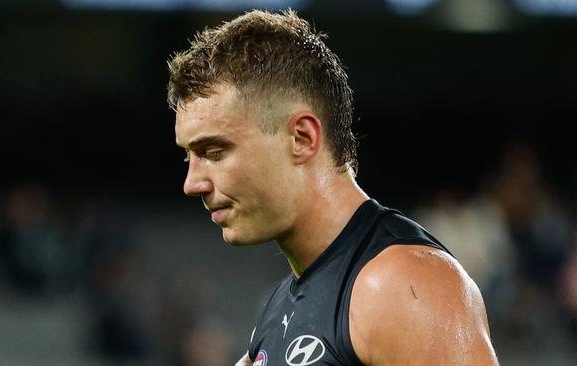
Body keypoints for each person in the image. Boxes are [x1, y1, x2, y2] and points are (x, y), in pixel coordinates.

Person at [167, 9, 499, 366]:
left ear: (302, 138)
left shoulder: (401, 286)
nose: (192, 183)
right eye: (190, 157)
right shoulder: (280, 310)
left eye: (213, 152)